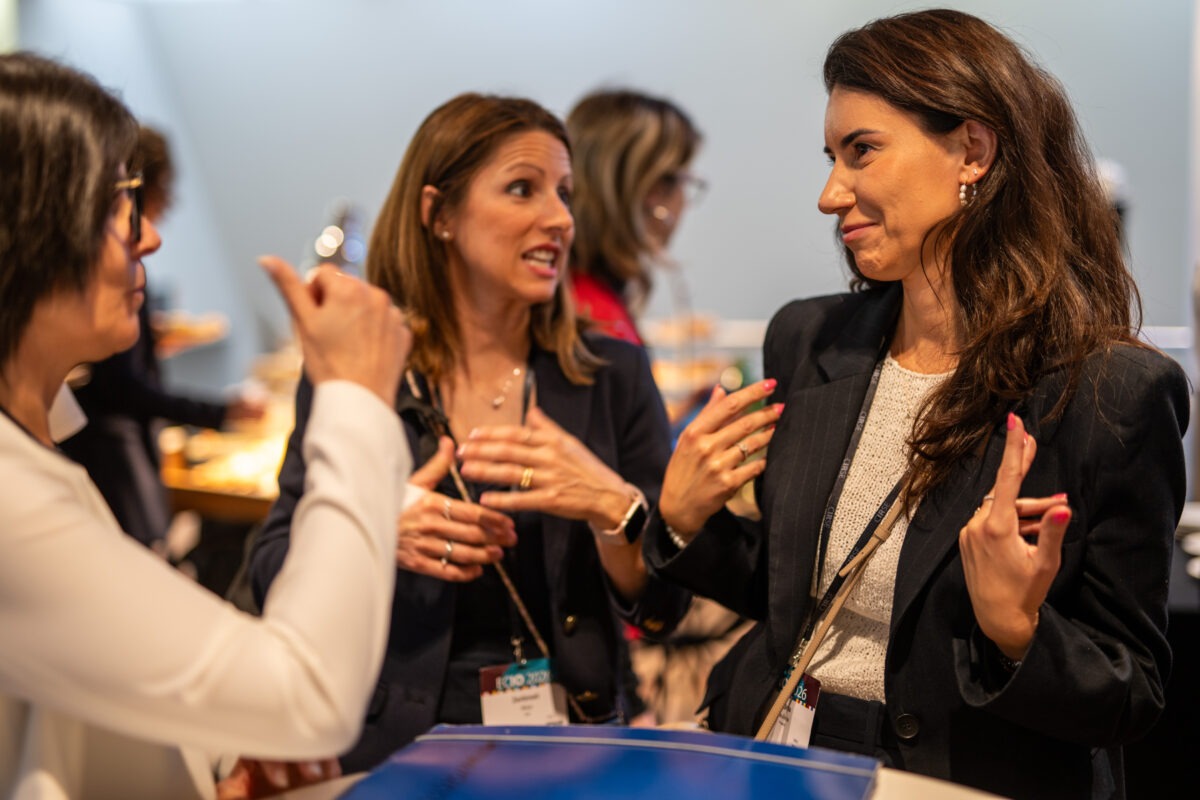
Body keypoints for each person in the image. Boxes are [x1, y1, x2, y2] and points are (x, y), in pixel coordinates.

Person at [645, 9, 1187, 798]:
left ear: (972, 151)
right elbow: (798, 593)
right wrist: (682, 521)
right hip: (785, 758)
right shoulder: (810, 340)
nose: (831, 194)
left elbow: (1131, 691)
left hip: (961, 775)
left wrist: (1017, 633)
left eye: (861, 151)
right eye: (831, 158)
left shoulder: (1110, 392)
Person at [0, 52, 412, 799]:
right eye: (121, 204)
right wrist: (355, 397)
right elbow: (310, 699)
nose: (148, 239)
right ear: (32, 224)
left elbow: (74, 722)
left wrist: (207, 770)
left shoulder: (35, 451)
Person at [248, 93, 690, 772]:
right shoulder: (362, 372)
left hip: (572, 742)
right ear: (439, 214)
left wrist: (614, 510)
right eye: (522, 189)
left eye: (565, 193)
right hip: (392, 745)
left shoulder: (612, 374)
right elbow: (269, 570)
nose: (559, 218)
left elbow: (663, 605)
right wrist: (369, 531)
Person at [565, 88, 746, 726]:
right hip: (608, 605)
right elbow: (596, 480)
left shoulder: (591, 299)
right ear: (621, 185)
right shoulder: (589, 318)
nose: (677, 203)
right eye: (667, 179)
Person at [60, 125, 264, 551]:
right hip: (111, 458)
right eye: (120, 201)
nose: (150, 237)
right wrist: (221, 412)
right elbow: (122, 387)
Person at [566, 88, 704, 345]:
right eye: (684, 180)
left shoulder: (573, 294)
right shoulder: (599, 322)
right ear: (652, 189)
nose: (685, 202)